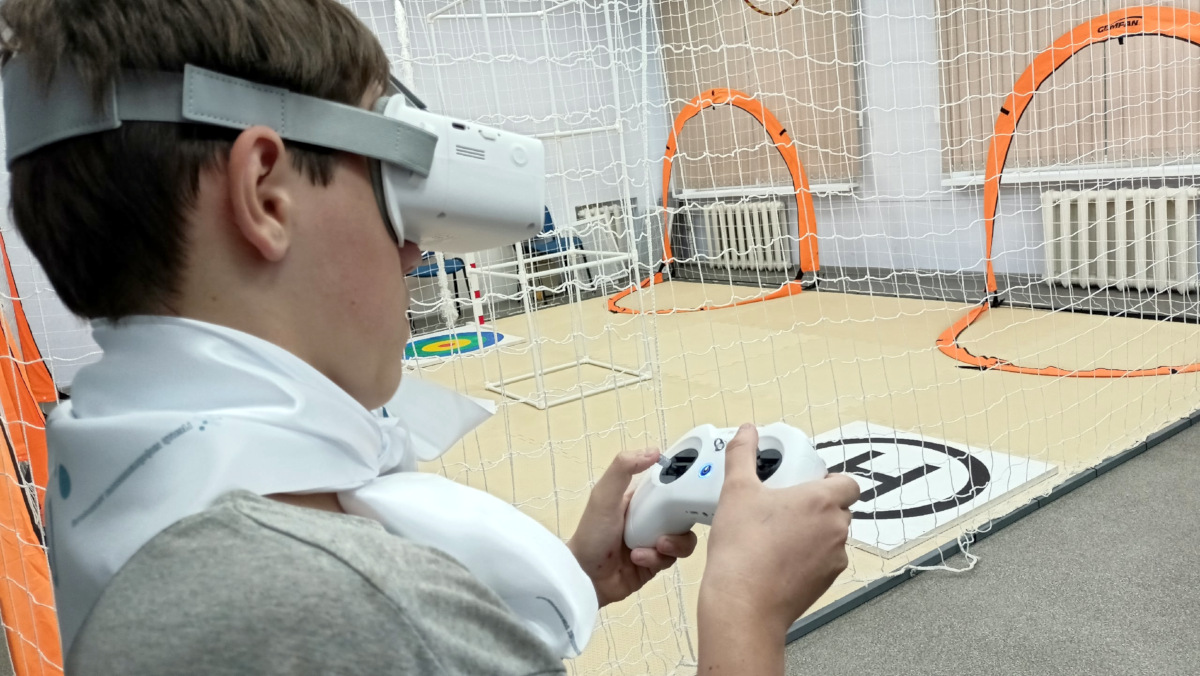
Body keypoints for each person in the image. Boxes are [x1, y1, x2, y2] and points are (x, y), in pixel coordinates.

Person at [0, 0, 860, 674]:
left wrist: (575, 574)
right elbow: (366, 620)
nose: (414, 251)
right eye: (390, 191)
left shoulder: (105, 471)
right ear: (265, 194)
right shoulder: (325, 598)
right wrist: (745, 610)